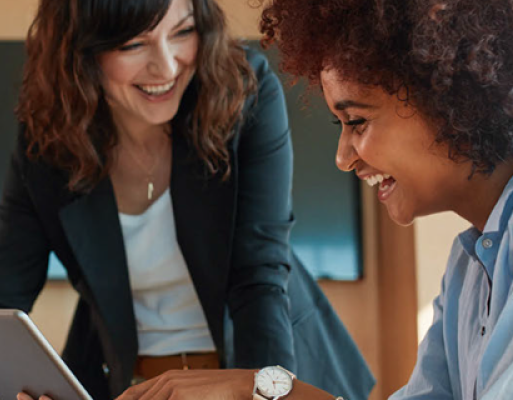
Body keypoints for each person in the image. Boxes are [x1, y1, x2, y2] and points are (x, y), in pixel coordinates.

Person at [0, 0, 373, 399]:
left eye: (184, 32)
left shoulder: (242, 92)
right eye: (133, 45)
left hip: (265, 373)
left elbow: (258, 277)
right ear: (80, 51)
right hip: (135, 385)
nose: (168, 66)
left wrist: (260, 395)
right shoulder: (49, 140)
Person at [109, 0, 513, 399]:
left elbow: (260, 273)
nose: (342, 158)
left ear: (451, 96)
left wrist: (258, 389)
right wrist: (262, 389)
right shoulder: (469, 266)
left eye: (357, 122)